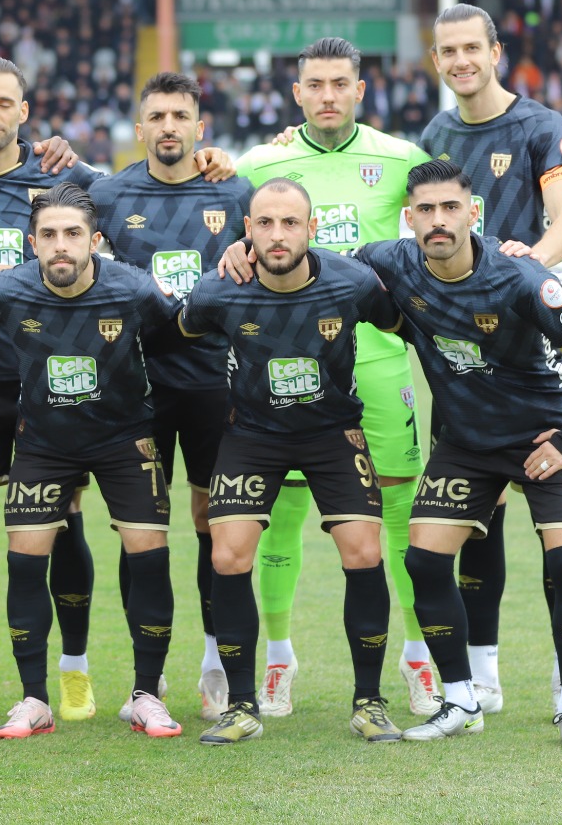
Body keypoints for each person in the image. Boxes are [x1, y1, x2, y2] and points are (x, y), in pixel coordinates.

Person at [0, 57, 237, 725]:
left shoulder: (68, 175)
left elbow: (152, 214)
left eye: (6, 102)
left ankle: (76, 672)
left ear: (26, 111)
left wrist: (215, 163)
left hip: (81, 397)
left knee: (69, 529)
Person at [356, 160, 562, 749]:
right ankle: (460, 699)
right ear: (409, 218)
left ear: (475, 213)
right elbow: (327, 271)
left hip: (541, 438)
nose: (438, 221)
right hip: (467, 443)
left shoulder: (520, 278)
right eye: (426, 210)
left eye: (451, 208)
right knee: (423, 561)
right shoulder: (389, 260)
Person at [224, 37, 436, 718]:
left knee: (397, 513)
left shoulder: (401, 159)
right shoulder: (261, 163)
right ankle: (278, 659)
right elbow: (228, 238)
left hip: (375, 359)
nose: (327, 96)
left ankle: (417, 658)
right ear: (296, 94)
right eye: (314, 84)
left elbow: (450, 220)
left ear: (360, 89)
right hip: (284, 367)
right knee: (281, 514)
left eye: (339, 83)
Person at [0, 182, 186, 740]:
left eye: (73, 234)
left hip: (125, 437)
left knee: (148, 553)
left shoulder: (133, 289)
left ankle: (146, 695)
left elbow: (176, 328)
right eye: (49, 235)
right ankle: (34, 700)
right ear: (32, 243)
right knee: (25, 557)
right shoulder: (5, 291)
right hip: (42, 441)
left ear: (96, 241)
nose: (61, 246)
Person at [179, 178, 403, 745]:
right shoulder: (218, 290)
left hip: (333, 431)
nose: (277, 235)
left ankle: (370, 701)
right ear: (247, 229)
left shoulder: (351, 282)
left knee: (364, 550)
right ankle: (242, 706)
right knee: (227, 554)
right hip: (253, 434)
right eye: (265, 223)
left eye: (290, 223)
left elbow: (403, 324)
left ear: (312, 229)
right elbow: (175, 332)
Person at [420, 3, 562, 715]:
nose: (460, 61)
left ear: (496, 51)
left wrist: (530, 274)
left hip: (535, 349)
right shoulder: (436, 133)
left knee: (561, 537)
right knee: (475, 526)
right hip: (464, 357)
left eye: (471, 48)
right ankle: (483, 678)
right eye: (447, 51)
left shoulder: (541, 128)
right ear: (436, 61)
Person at [89, 70, 251, 723]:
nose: (168, 128)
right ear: (139, 128)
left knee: (215, 526)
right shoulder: (107, 193)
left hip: (216, 384)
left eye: (180, 117)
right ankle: (145, 683)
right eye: (156, 117)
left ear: (199, 128)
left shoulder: (233, 190)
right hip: (137, 388)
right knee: (142, 534)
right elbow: (50, 223)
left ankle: (215, 659)